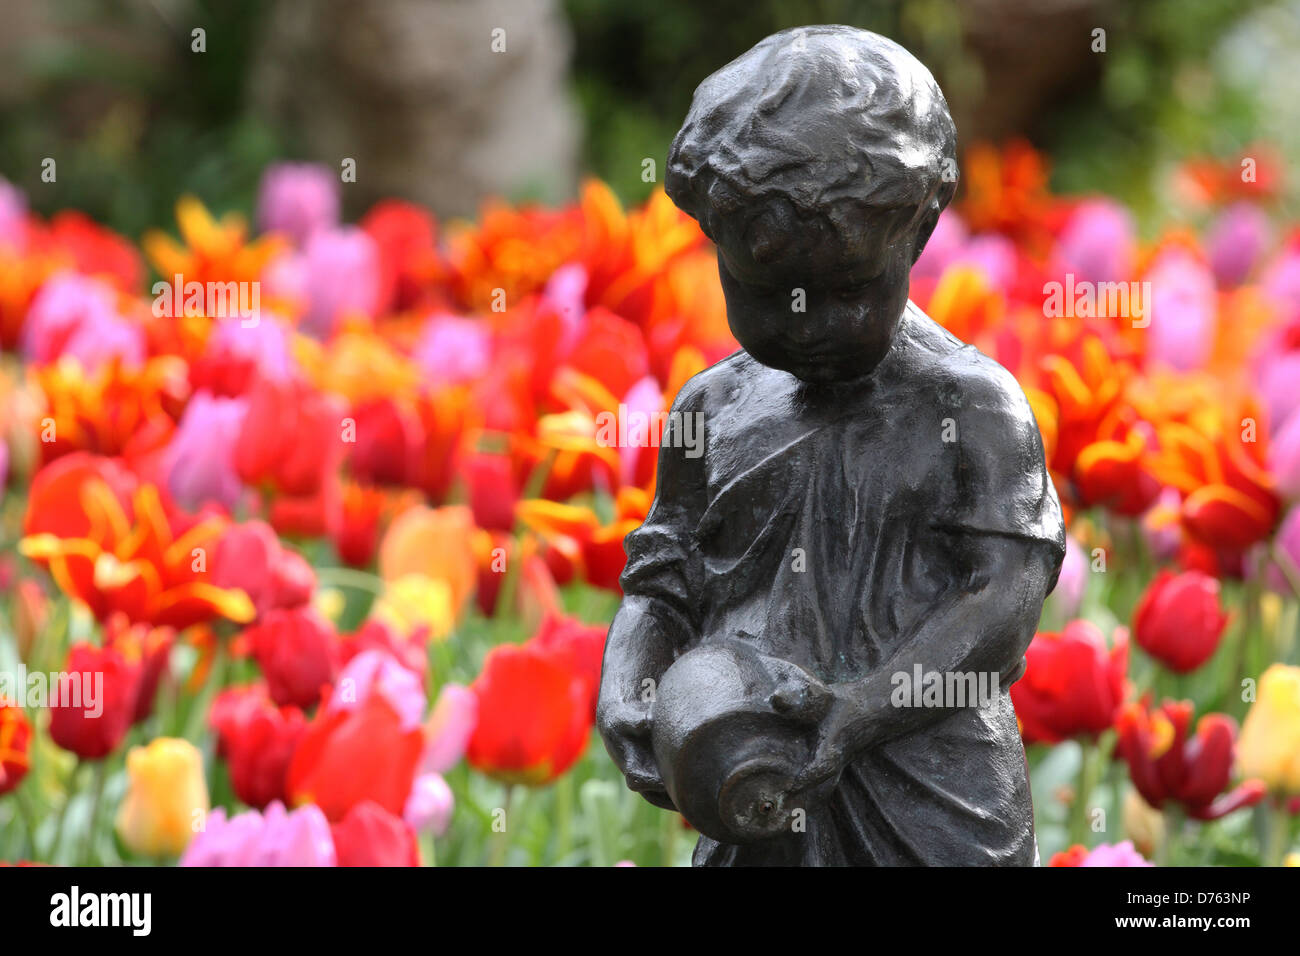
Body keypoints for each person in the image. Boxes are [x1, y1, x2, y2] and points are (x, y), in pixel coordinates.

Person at [596, 25, 1065, 866]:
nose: (803, 324)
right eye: (768, 294)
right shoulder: (712, 408)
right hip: (758, 785)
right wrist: (628, 685)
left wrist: (858, 710)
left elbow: (1003, 600)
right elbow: (660, 581)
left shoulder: (972, 406)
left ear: (919, 233)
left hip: (936, 797)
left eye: (844, 293)